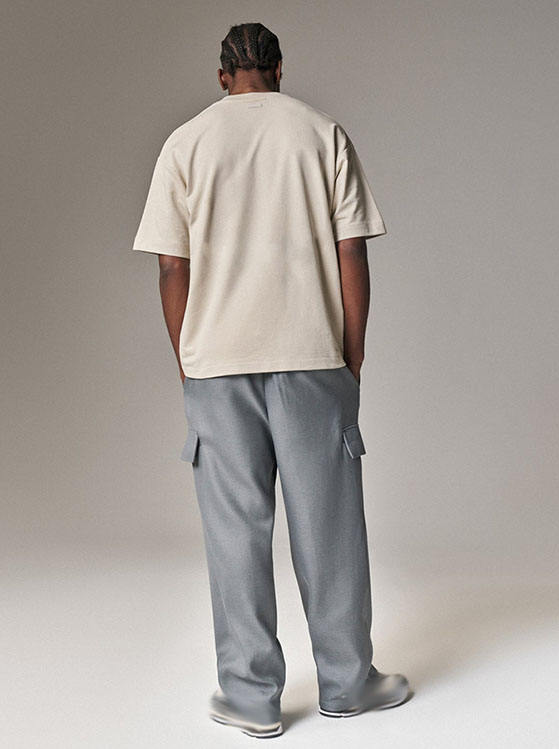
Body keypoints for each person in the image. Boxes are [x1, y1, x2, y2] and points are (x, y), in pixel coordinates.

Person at [132, 21, 411, 739]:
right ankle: (347, 682)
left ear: (222, 75)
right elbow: (352, 253)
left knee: (235, 533)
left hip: (217, 366)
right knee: (330, 526)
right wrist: (352, 355)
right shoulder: (323, 134)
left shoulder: (186, 143)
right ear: (280, 69)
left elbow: (170, 265)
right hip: (313, 356)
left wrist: (188, 360)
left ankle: (252, 696)